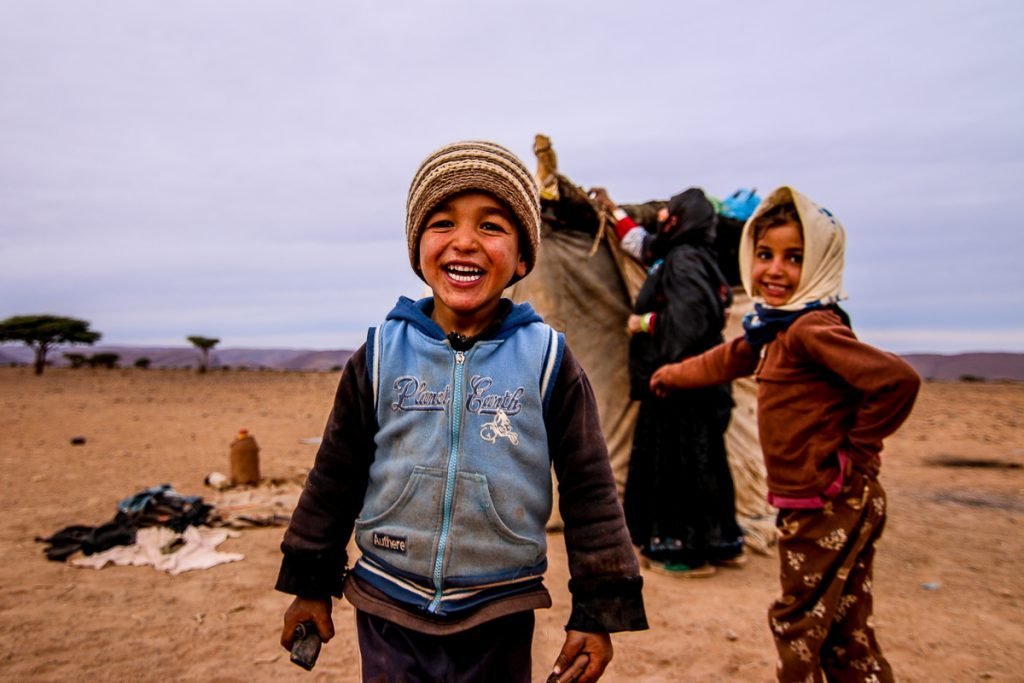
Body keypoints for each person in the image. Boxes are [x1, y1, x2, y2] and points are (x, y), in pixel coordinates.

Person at [276, 140, 647, 683]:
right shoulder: (380, 356)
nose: (465, 242)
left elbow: (591, 491)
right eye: (443, 223)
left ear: (522, 257)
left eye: (492, 227)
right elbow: (334, 476)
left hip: (499, 606)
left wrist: (599, 610)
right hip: (387, 599)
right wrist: (310, 584)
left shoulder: (548, 361)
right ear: (417, 248)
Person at [650, 186, 920, 681]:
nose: (774, 270)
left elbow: (897, 382)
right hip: (832, 497)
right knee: (844, 626)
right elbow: (730, 357)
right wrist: (673, 374)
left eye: (794, 258)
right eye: (765, 254)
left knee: (797, 621)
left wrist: (855, 453)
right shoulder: (774, 328)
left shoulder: (809, 329)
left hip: (826, 501)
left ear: (818, 262)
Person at [593, 186, 745, 577]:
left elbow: (687, 324)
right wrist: (613, 210)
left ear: (682, 221)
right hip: (692, 383)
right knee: (704, 463)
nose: (663, 218)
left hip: (679, 383)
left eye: (670, 213)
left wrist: (641, 322)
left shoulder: (684, 261)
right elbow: (642, 246)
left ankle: (681, 553)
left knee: (678, 466)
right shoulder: (687, 256)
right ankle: (719, 543)